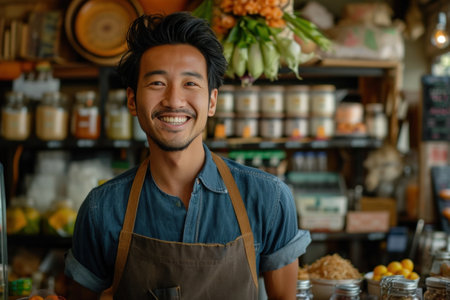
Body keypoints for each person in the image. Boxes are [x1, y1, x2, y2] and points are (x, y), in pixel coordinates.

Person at [64, 11, 311, 300]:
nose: (174, 100)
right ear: (132, 100)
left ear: (212, 101)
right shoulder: (101, 209)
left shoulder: (269, 198)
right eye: (157, 83)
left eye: (190, 83)